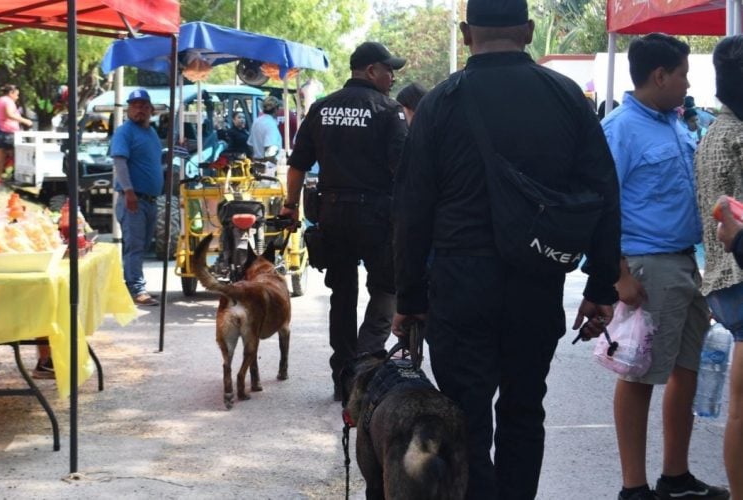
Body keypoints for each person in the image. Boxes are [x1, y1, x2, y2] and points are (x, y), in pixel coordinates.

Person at [392, 1, 621, 498]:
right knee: (524, 410)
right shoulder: (565, 97)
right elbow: (603, 193)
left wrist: (408, 298)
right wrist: (602, 285)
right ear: (530, 31)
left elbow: (411, 210)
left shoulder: (440, 102)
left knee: (463, 420)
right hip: (536, 280)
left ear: (465, 33)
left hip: (460, 285)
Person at [602, 33, 728, 500]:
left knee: (686, 368)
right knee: (638, 375)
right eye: (682, 74)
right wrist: (618, 275)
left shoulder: (673, 123)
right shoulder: (620, 129)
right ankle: (633, 486)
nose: (687, 84)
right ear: (659, 76)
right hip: (647, 267)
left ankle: (675, 476)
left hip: (683, 264)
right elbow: (601, 207)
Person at [280, 41, 408, 402]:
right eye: (388, 69)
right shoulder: (389, 111)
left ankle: (343, 374)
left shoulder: (321, 108)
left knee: (343, 294)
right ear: (371, 70)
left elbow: (297, 166)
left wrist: (290, 207)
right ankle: (366, 362)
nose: (392, 76)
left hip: (332, 214)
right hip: (377, 216)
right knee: (386, 288)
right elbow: (405, 171)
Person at [696, 34, 743, 500]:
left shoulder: (713, 133)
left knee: (740, 409)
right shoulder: (739, 137)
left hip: (722, 278)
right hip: (740, 273)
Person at [110, 88, 162, 307]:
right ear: (128, 109)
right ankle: (136, 289)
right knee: (135, 246)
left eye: (143, 106)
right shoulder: (125, 132)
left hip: (150, 199)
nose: (139, 110)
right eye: (135, 106)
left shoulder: (151, 133)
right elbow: (120, 162)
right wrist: (129, 191)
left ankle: (136, 285)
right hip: (133, 199)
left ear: (150, 109)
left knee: (143, 246)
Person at [0, 84, 33, 185]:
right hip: (8, 132)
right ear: (11, 93)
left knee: (0, 156)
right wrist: (25, 121)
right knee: (19, 155)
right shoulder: (8, 101)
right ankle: (17, 177)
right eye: (16, 95)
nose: (17, 97)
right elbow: (9, 114)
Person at [247, 96, 282, 160]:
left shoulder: (256, 121)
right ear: (276, 109)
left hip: (257, 161)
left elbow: (250, 144)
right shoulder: (271, 124)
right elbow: (270, 150)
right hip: (268, 163)